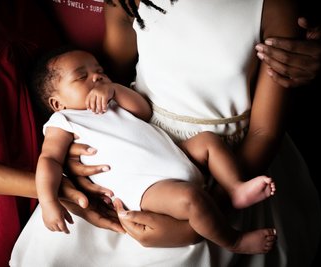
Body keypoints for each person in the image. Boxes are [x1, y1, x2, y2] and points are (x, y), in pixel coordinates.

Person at [0, 1, 321, 267]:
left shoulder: (275, 7)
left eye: (93, 71)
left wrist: (203, 217)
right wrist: (70, 164)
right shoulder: (126, 1)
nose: (94, 76)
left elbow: (263, 129)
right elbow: (98, 98)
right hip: (135, 156)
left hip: (228, 155)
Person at [33, 48, 277, 254]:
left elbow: (143, 111)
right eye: (82, 76)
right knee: (192, 199)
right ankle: (234, 241)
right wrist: (48, 200)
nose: (97, 78)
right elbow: (50, 159)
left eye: (100, 71)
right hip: (149, 188)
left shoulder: (113, 102)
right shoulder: (64, 120)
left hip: (177, 154)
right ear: (57, 103)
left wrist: (115, 90)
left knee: (208, 141)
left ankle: (235, 187)